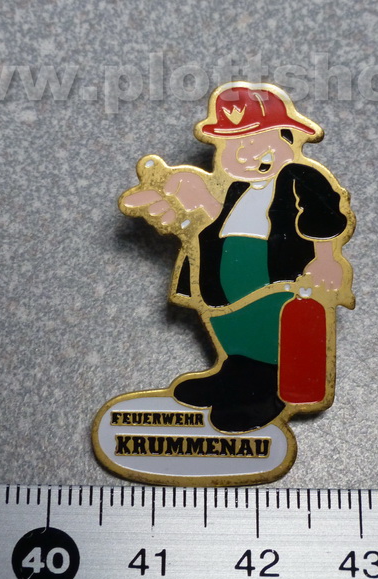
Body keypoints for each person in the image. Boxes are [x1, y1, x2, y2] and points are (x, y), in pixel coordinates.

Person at [120, 82, 355, 433]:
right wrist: (191, 199)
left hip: (272, 268)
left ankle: (266, 388)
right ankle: (234, 371)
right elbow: (219, 218)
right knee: (227, 319)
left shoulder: (300, 175)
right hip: (227, 263)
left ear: (287, 137)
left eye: (255, 142)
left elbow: (323, 217)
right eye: (233, 146)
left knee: (266, 322)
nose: (244, 155)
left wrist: (324, 259)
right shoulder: (235, 186)